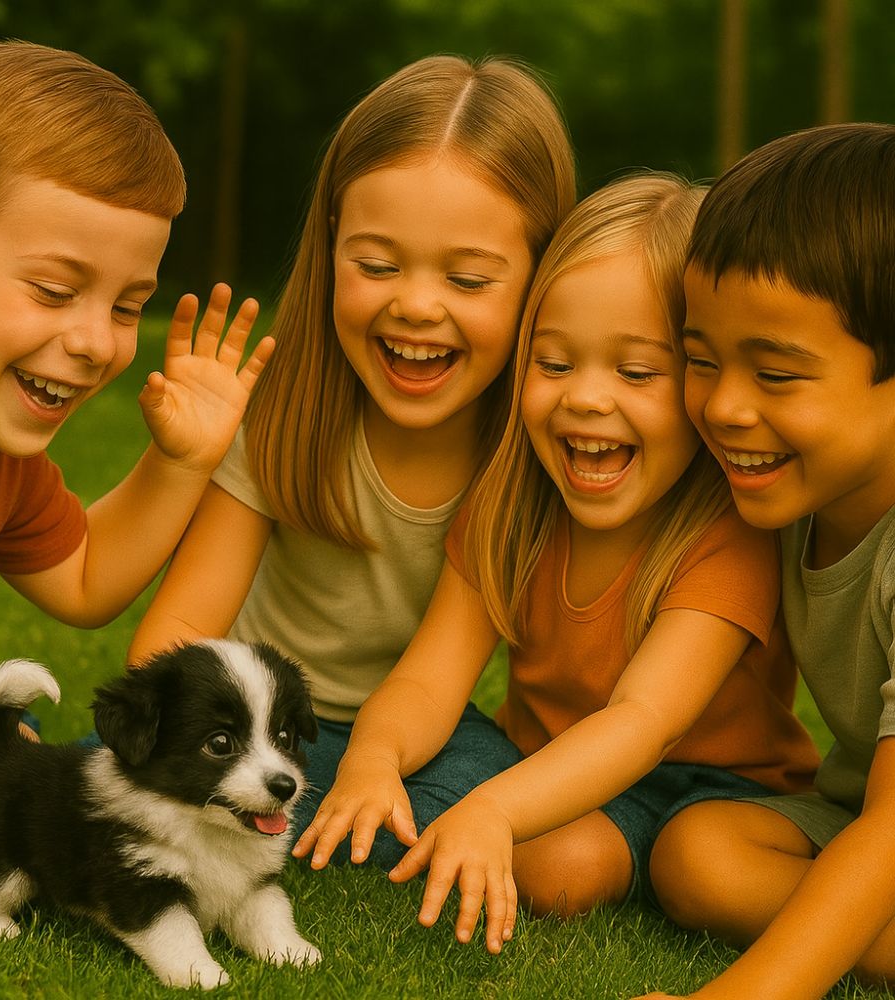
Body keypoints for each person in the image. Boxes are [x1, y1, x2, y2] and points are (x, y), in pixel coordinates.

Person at [294, 173, 821, 955]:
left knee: (562, 867)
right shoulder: (512, 506)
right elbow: (428, 681)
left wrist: (495, 810)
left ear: (702, 384)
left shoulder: (725, 535)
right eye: (554, 364)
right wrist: (374, 759)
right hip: (540, 765)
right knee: (397, 783)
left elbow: (642, 722)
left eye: (636, 372)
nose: (586, 400)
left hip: (710, 790)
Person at [127, 54, 576, 864]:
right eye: (376, 266)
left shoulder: (519, 459)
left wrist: (374, 766)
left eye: (468, 279)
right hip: (251, 721)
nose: (416, 304)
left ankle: (317, 820)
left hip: (415, 734)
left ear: (541, 279)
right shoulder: (284, 415)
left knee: (496, 815)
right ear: (331, 246)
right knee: (119, 788)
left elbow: (433, 681)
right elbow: (178, 635)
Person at [0, 41, 273, 912]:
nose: (98, 341)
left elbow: (85, 578)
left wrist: (179, 462)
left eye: (127, 305)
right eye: (55, 290)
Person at [635, 124, 895, 1000]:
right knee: (698, 854)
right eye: (701, 361)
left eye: (777, 376)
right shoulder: (791, 493)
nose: (724, 408)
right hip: (859, 814)